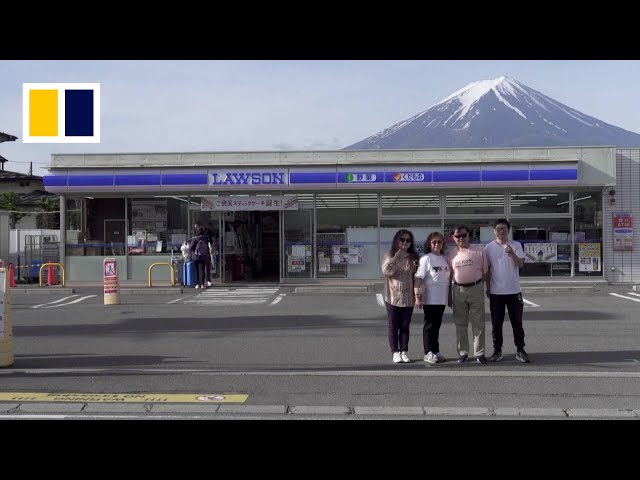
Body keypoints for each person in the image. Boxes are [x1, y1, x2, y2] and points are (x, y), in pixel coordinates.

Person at [484, 218, 530, 363]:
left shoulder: (515, 245)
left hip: (514, 291)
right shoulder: (488, 248)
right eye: (498, 229)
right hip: (496, 293)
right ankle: (497, 351)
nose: (501, 231)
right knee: (496, 323)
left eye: (504, 228)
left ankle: (520, 350)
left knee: (517, 322)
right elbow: (487, 271)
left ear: (508, 230)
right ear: (494, 231)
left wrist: (512, 254)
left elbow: (520, 264)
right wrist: (488, 288)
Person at [447, 225, 488, 364]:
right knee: (460, 324)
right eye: (457, 236)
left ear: (469, 235)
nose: (461, 238)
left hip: (476, 288)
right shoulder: (452, 254)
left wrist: (485, 287)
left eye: (463, 235)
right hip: (458, 290)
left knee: (479, 323)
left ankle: (480, 352)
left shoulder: (479, 251)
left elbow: (485, 272)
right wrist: (449, 296)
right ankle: (463, 352)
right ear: (453, 238)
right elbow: (449, 276)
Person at [381, 229, 419, 364]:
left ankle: (404, 351)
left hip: (408, 297)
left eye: (408, 240)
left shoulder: (413, 256)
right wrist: (396, 257)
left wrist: (418, 295)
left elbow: (417, 277)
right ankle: (395, 352)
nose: (405, 242)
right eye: (402, 239)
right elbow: (386, 271)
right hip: (392, 296)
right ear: (397, 240)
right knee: (393, 325)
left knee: (405, 325)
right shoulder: (389, 255)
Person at [414, 232, 450, 364]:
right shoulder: (426, 259)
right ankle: (428, 352)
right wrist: (417, 296)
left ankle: (436, 350)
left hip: (441, 299)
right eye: (434, 242)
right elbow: (418, 278)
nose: (437, 244)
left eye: (439, 242)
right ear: (429, 244)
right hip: (430, 299)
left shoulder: (444, 259)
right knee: (429, 326)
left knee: (437, 325)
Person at [189, 222, 210, 289]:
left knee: (196, 270)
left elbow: (191, 247)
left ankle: (197, 284)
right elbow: (207, 247)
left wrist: (193, 251)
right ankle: (202, 284)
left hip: (195, 256)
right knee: (202, 270)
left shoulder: (195, 239)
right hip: (203, 256)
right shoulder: (205, 238)